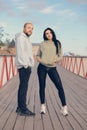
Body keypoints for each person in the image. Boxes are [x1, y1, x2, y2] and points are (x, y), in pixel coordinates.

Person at [36, 27, 68, 116]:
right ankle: (42, 106)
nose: (48, 34)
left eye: (50, 32)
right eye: (46, 33)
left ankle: (64, 107)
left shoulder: (57, 43)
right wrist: (41, 60)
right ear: (45, 35)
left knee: (59, 87)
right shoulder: (42, 44)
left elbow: (60, 56)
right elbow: (38, 55)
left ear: (53, 33)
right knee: (42, 87)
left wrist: (55, 60)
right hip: (41, 67)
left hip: (52, 68)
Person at [15, 22, 35, 116]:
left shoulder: (26, 38)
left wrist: (30, 64)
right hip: (24, 67)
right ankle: (23, 109)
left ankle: (19, 107)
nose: (30, 30)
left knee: (22, 87)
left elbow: (28, 53)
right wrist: (26, 65)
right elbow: (21, 52)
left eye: (32, 28)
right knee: (23, 88)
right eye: (28, 28)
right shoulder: (21, 38)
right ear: (24, 28)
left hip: (25, 66)